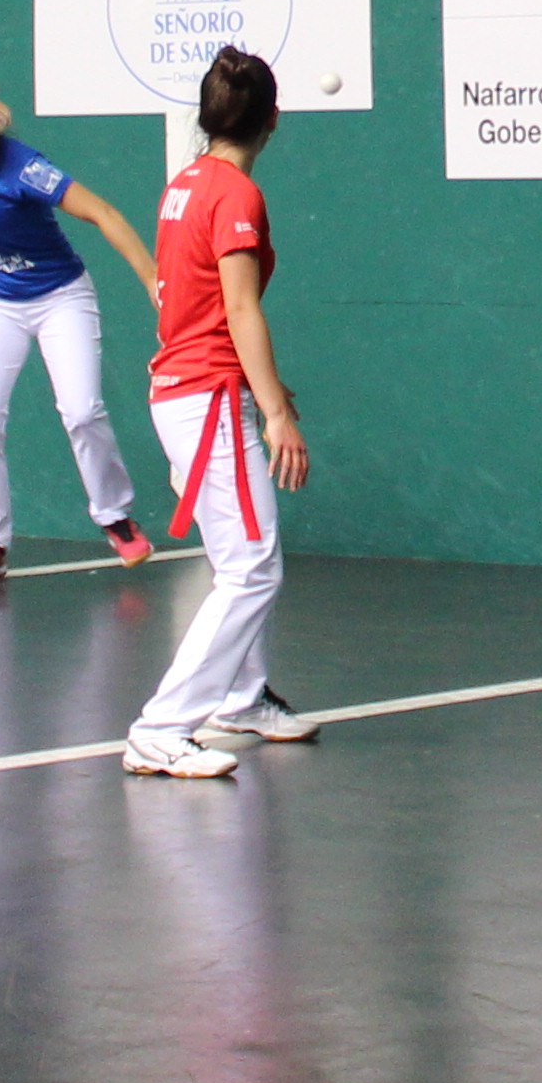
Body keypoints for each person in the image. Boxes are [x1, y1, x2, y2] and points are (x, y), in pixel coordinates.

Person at [123, 43, 315, 777]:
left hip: (189, 390)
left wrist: (264, 388)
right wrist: (275, 412)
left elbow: (195, 299)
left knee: (239, 559)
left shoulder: (186, 183)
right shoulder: (235, 195)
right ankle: (161, 727)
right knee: (253, 569)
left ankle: (239, 697)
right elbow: (238, 308)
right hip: (207, 401)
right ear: (273, 119)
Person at [0, 58, 163, 587]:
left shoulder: (26, 167)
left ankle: (116, 518)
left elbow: (103, 213)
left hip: (61, 298)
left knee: (82, 411)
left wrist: (150, 276)